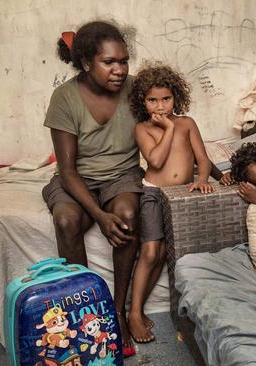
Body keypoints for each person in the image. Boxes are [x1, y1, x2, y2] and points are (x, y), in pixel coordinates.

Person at [42, 21, 139, 356]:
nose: (119, 70)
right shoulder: (65, 97)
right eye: (109, 62)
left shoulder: (135, 89)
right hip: (77, 179)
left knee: (126, 215)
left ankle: (117, 311)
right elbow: (67, 171)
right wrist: (98, 214)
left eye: (124, 61)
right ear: (86, 63)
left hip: (121, 175)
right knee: (67, 220)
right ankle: (85, 313)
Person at [128, 64, 214, 342]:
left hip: (181, 196)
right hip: (154, 193)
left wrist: (202, 178)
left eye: (166, 98)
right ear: (143, 101)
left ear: (175, 97)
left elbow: (203, 159)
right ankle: (134, 312)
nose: (160, 105)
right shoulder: (142, 128)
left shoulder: (187, 123)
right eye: (152, 100)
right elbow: (155, 161)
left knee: (166, 251)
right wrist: (166, 128)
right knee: (151, 251)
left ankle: (137, 309)